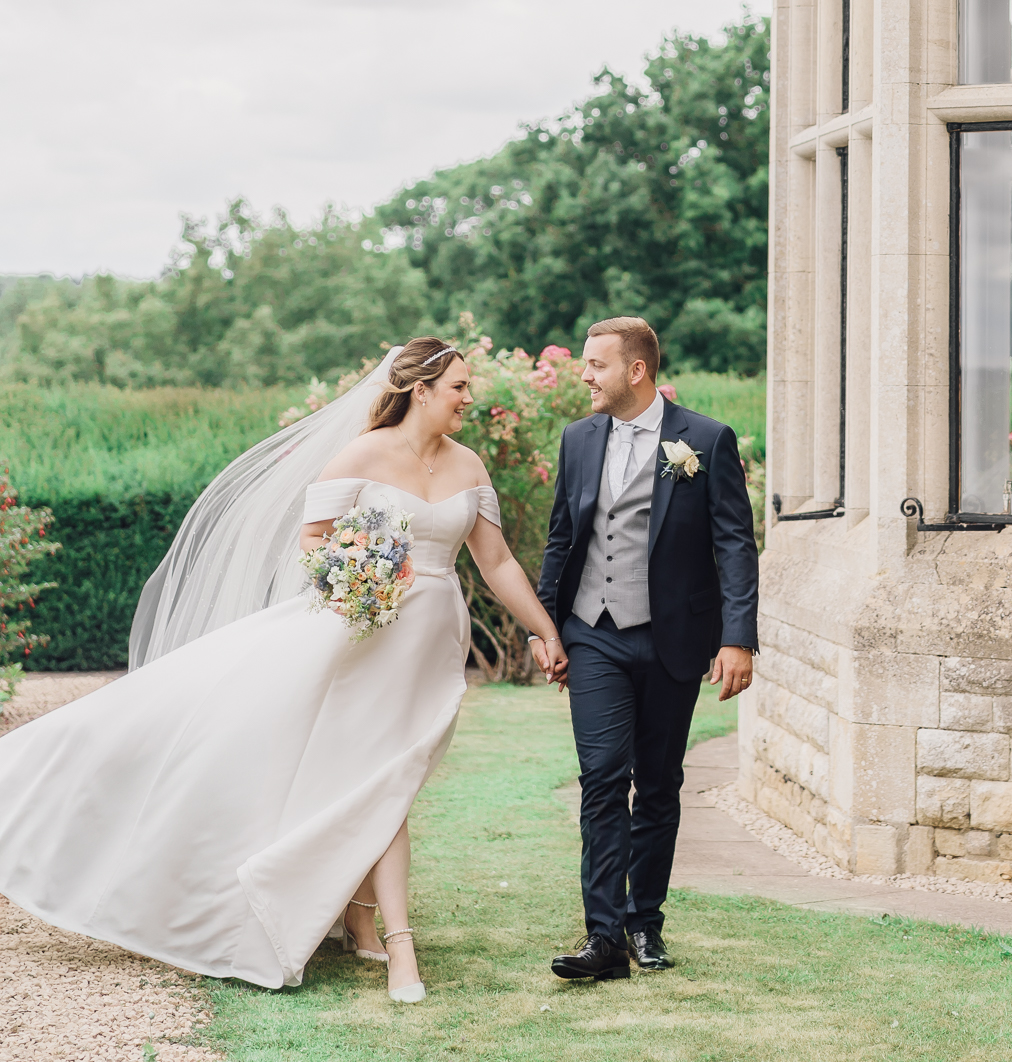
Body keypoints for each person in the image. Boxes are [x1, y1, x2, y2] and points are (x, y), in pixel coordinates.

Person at [0, 338, 567, 1000]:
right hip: (363, 637)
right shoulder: (361, 453)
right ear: (421, 390)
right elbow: (313, 542)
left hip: (432, 641)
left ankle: (358, 918)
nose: (470, 398)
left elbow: (495, 562)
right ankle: (398, 945)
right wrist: (363, 576)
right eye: (459, 387)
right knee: (381, 780)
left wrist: (542, 629)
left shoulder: (468, 465)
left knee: (389, 779)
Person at [536, 316, 760, 981]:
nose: (584, 375)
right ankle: (602, 938)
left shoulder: (706, 440)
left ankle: (644, 922)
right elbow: (559, 541)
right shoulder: (578, 440)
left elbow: (733, 546)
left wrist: (737, 638)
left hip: (672, 638)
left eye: (595, 364)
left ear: (636, 371)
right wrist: (545, 629)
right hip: (591, 634)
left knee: (658, 784)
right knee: (603, 777)